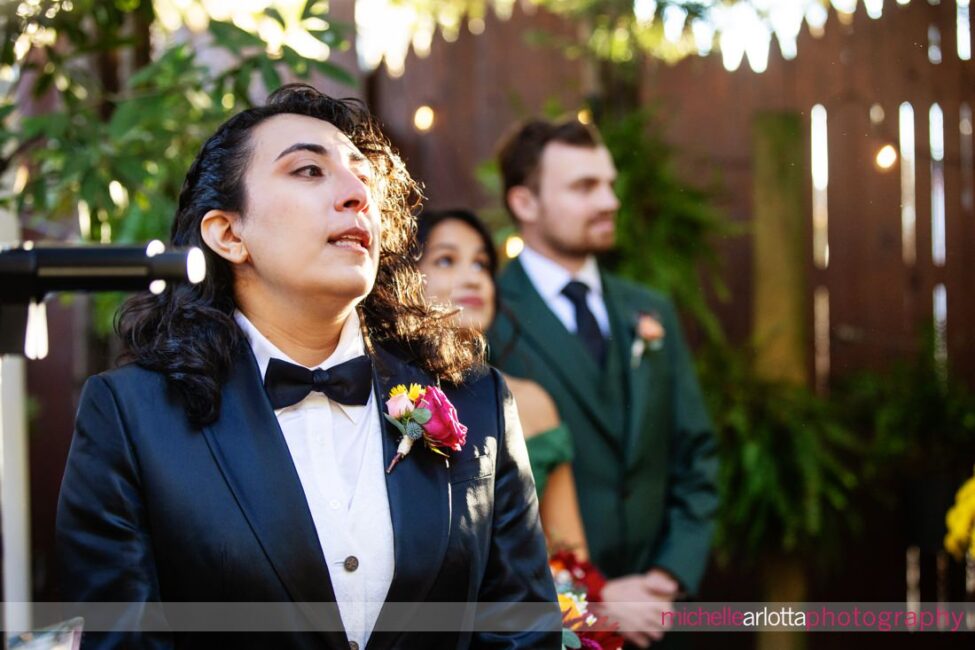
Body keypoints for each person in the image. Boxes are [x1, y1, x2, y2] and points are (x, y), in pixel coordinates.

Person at [56, 84, 559, 650]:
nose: (356, 194)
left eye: (364, 178)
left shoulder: (477, 402)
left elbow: (522, 631)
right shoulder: (131, 417)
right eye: (309, 172)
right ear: (228, 233)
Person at [487, 118, 719, 648]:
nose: (610, 200)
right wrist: (593, 596)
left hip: (660, 620)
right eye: (584, 186)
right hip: (553, 625)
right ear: (525, 203)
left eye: (609, 183)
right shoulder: (491, 321)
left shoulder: (649, 309)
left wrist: (668, 577)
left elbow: (696, 456)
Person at [416, 209, 589, 558]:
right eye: (447, 260)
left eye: (481, 264)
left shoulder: (531, 403)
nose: (473, 278)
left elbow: (570, 555)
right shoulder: (386, 396)